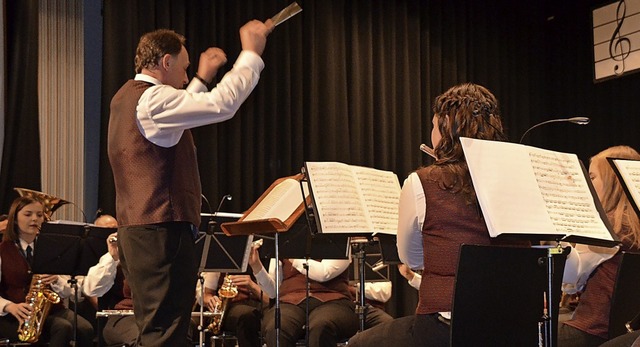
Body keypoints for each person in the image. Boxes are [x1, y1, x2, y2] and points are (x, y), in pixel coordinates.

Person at [106, 18, 274, 346]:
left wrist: (202, 78)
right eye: (183, 69)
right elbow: (222, 104)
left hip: (140, 231)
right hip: (160, 232)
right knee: (164, 335)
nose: (185, 78)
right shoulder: (153, 101)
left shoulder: (129, 97)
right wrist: (251, 54)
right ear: (165, 62)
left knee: (160, 330)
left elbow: (173, 121)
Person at [395, 83, 528, 346]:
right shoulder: (522, 178)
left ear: (447, 126)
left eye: (434, 126)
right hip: (514, 321)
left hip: (447, 326)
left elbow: (409, 256)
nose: (431, 134)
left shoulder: (422, 182)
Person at [558, 145, 640, 347]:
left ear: (613, 181)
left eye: (592, 177)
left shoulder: (608, 227)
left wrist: (560, 227)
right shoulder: (632, 227)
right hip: (627, 332)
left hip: (593, 331)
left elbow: (569, 279)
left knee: (519, 333)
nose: (588, 184)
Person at [0, 196, 94, 346]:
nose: (35, 219)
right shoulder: (3, 250)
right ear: (15, 219)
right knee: (62, 328)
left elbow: (69, 291)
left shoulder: (52, 249)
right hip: (13, 313)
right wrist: (9, 306)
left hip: (50, 309)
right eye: (28, 214)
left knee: (85, 329)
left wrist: (56, 280)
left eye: (39, 215)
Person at [248, 244, 359, 347]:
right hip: (291, 301)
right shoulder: (285, 241)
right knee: (276, 328)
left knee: (321, 325)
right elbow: (272, 292)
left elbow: (324, 273)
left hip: (333, 300)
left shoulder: (338, 240)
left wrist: (290, 253)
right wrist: (256, 265)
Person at [201, 272, 268, 347]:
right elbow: (207, 295)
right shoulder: (220, 263)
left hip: (262, 306)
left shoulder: (272, 262)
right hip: (231, 306)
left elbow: (271, 299)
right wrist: (211, 300)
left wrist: (252, 286)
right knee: (247, 316)